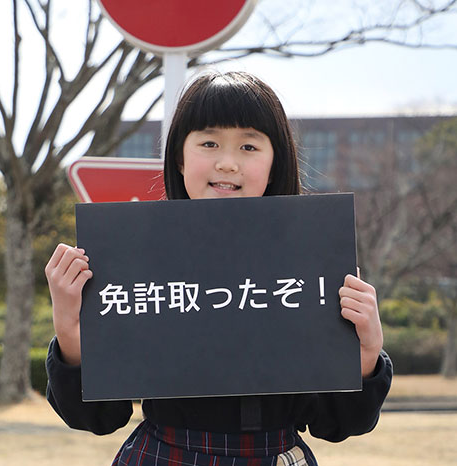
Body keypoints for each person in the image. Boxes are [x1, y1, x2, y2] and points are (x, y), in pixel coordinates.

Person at [45, 71, 392, 466]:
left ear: (276, 160)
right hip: (163, 455)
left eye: (248, 145)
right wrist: (71, 334)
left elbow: (337, 424)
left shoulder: (309, 263)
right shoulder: (137, 256)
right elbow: (98, 417)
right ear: (178, 155)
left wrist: (365, 355)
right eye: (209, 143)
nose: (227, 163)